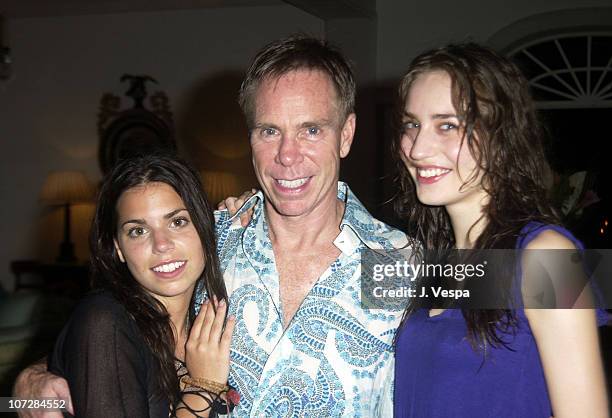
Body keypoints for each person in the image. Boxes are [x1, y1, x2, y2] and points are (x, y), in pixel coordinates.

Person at [15, 36, 411, 417]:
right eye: (269, 131)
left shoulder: (403, 263)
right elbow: (111, 337)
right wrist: (27, 385)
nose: (287, 156)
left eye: (311, 130)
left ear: (346, 135)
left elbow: (468, 346)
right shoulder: (207, 240)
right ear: (251, 136)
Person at [391, 43, 608, 417]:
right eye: (412, 124)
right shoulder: (436, 262)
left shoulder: (548, 256)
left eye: (448, 125)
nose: (418, 148)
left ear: (501, 136)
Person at [47, 154, 236, 417]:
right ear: (118, 249)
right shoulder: (104, 322)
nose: (161, 244)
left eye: (177, 222)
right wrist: (202, 388)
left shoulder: (216, 313)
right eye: (138, 230)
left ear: (204, 226)